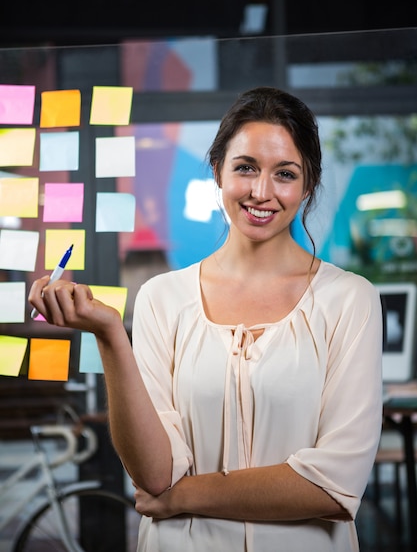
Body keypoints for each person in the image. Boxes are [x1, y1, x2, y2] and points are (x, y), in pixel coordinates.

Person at [29, 86, 383, 552]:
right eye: (245, 168)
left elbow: (333, 487)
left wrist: (181, 497)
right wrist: (110, 334)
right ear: (217, 171)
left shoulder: (349, 300)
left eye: (285, 174)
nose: (262, 191)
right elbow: (154, 472)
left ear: (308, 185)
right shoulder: (162, 297)